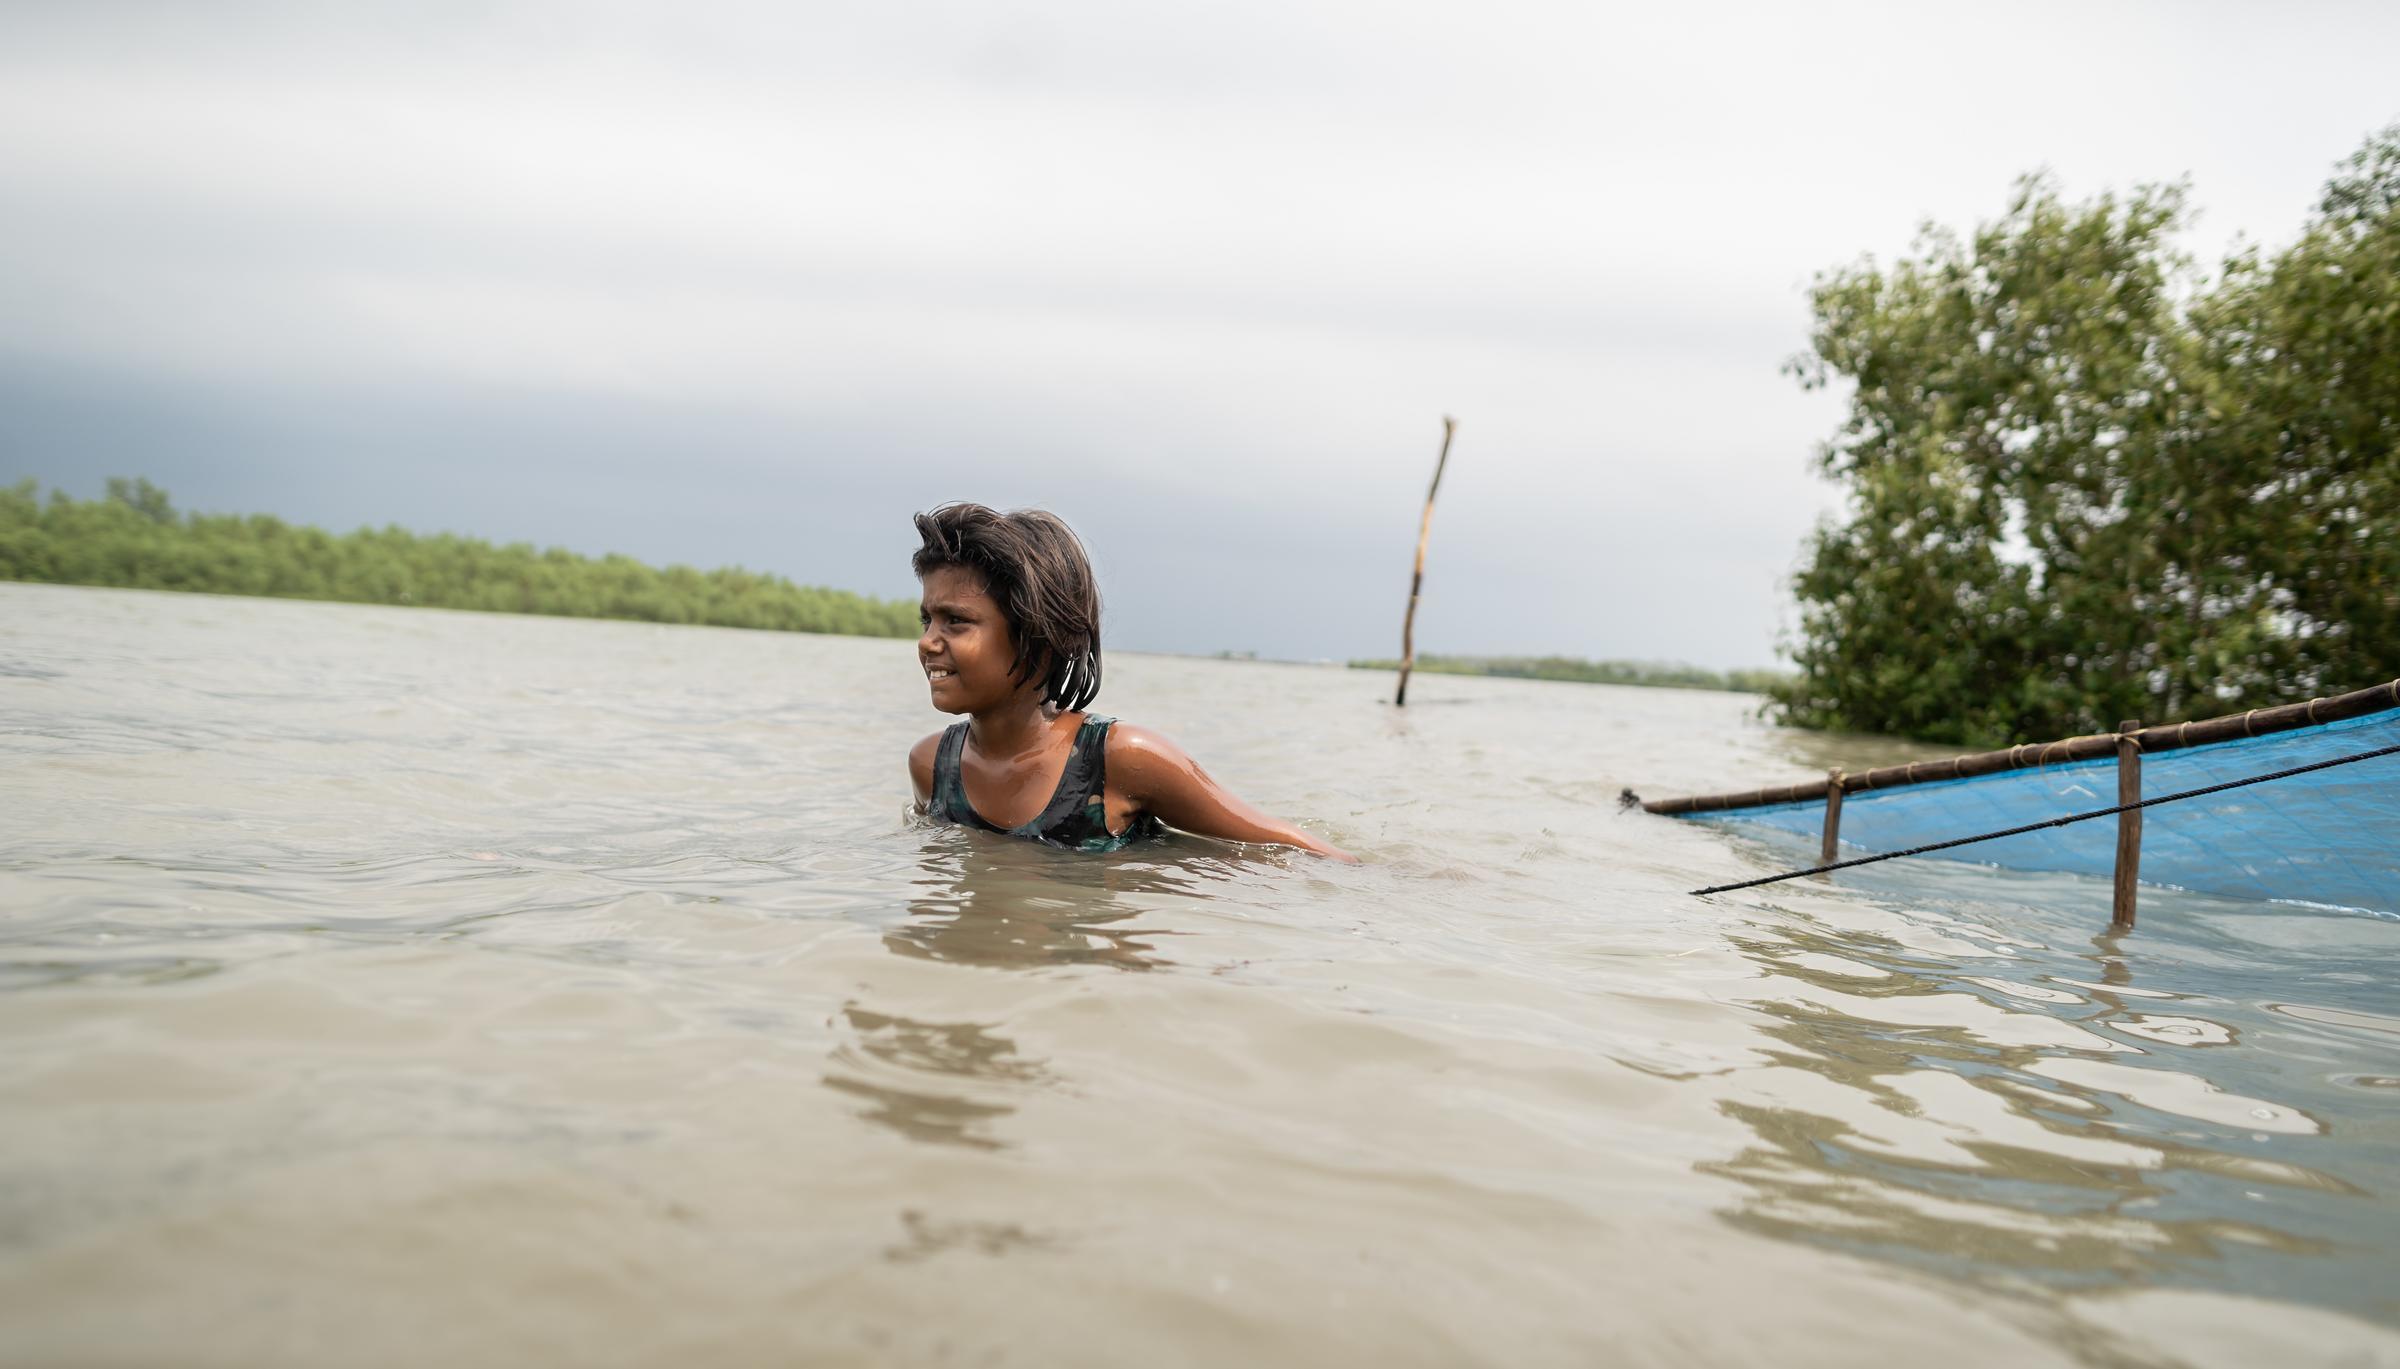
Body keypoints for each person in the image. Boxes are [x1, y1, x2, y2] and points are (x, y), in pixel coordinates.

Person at [906, 503, 1355, 860]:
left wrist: (1375, 883)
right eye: (927, 620)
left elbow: (1277, 844)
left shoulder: (1120, 760)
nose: (928, 642)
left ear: (1037, 636)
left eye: (956, 621)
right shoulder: (933, 767)